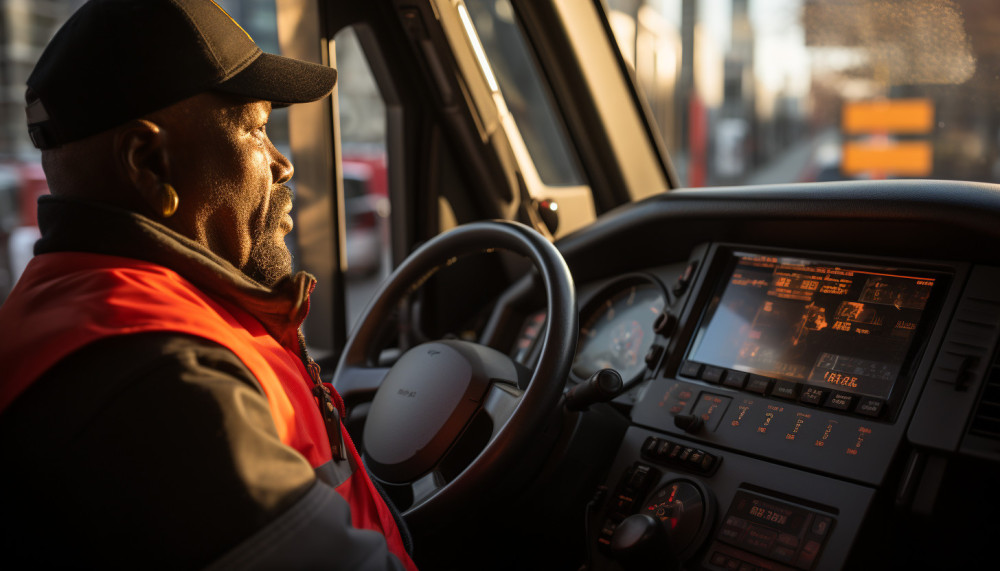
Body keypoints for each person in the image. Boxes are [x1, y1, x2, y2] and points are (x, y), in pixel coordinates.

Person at [0, 1, 417, 569]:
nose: (282, 164)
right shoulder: (166, 387)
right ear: (149, 162)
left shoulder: (82, 305)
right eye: (257, 129)